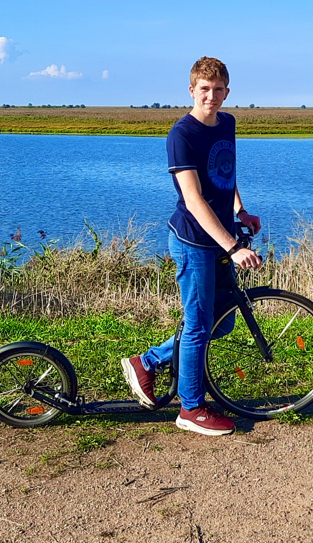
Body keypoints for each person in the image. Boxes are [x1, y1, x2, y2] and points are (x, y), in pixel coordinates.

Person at [120, 56, 263, 436]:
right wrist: (233, 246)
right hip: (194, 241)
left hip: (220, 236)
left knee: (222, 320)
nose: (211, 97)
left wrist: (240, 210)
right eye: (204, 90)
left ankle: (146, 363)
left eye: (218, 90)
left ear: (227, 92)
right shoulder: (181, 135)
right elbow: (195, 199)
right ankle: (191, 408)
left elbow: (225, 173)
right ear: (191, 90)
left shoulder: (227, 123)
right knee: (199, 325)